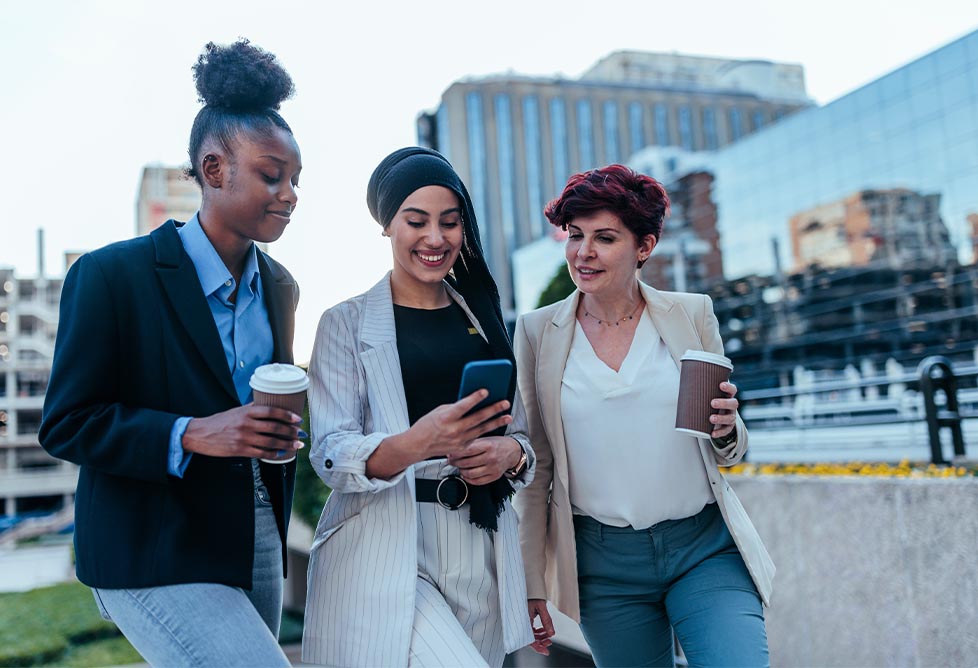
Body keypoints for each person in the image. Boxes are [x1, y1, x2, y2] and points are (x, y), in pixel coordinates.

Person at [39, 39, 303, 667]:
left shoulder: (283, 286)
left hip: (255, 531)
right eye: (272, 175)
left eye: (297, 179)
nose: (290, 194)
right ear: (215, 171)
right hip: (148, 541)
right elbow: (67, 423)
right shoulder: (111, 276)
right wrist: (191, 434)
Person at [513, 164, 775, 667]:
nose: (583, 252)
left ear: (644, 246)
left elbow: (730, 447)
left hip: (704, 548)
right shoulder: (537, 332)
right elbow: (537, 466)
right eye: (575, 235)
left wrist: (726, 427)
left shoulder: (692, 314)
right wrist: (531, 583)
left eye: (604, 237)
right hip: (603, 567)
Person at [302, 147, 535, 668]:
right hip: (385, 543)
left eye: (450, 223)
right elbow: (331, 454)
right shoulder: (344, 323)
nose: (436, 238)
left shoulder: (485, 322)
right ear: (388, 226)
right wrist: (419, 442)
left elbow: (521, 441)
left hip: (480, 546)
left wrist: (510, 457)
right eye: (416, 221)